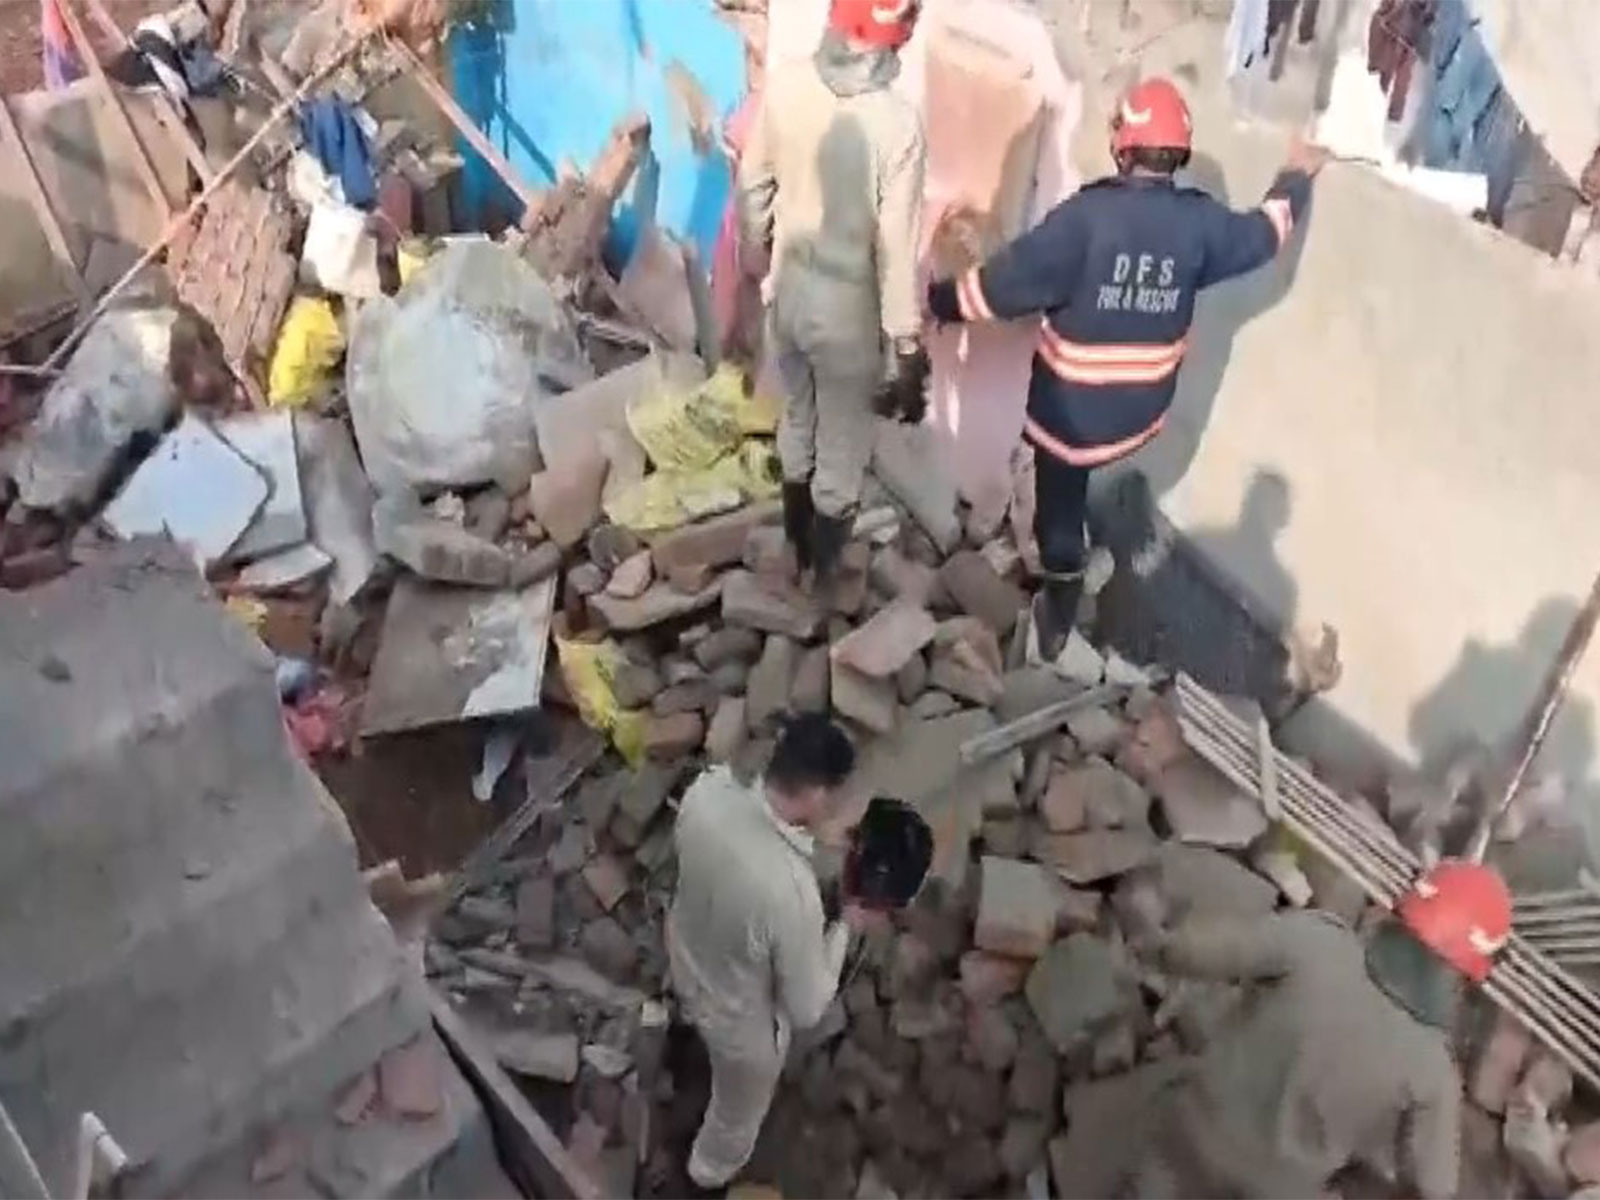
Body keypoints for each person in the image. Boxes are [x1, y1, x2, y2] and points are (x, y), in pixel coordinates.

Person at [926, 75, 1331, 661]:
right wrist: (1297, 173)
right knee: (1084, 474)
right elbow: (1265, 235)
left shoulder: (1083, 220)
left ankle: (1060, 606)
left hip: (1069, 423)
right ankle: (1068, 560)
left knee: (1058, 521)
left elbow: (1001, 289)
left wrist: (940, 303)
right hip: (1140, 415)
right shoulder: (1200, 224)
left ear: (1123, 145)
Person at [1133, 859, 1511, 1198]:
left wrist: (1153, 940)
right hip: (1278, 1189)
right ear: (1466, 977)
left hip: (1195, 1130)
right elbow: (1433, 1189)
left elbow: (1193, 952)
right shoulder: (1434, 1072)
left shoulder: (1317, 942)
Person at [737, 0, 930, 592]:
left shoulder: (787, 85)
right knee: (842, 451)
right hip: (848, 309)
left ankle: (795, 550)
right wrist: (906, 345)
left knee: (798, 416)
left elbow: (753, 184)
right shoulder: (899, 125)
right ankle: (820, 581)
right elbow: (895, 250)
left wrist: (758, 249)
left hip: (789, 290)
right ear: (896, 39)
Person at [667, 714, 871, 1191]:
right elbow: (805, 1008)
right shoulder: (790, 893)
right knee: (734, 1116)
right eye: (835, 795)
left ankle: (681, 1047)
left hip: (685, 958)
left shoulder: (706, 792)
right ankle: (705, 1175)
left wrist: (812, 838)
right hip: (738, 1024)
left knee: (694, 1018)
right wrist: (845, 926)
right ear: (817, 794)